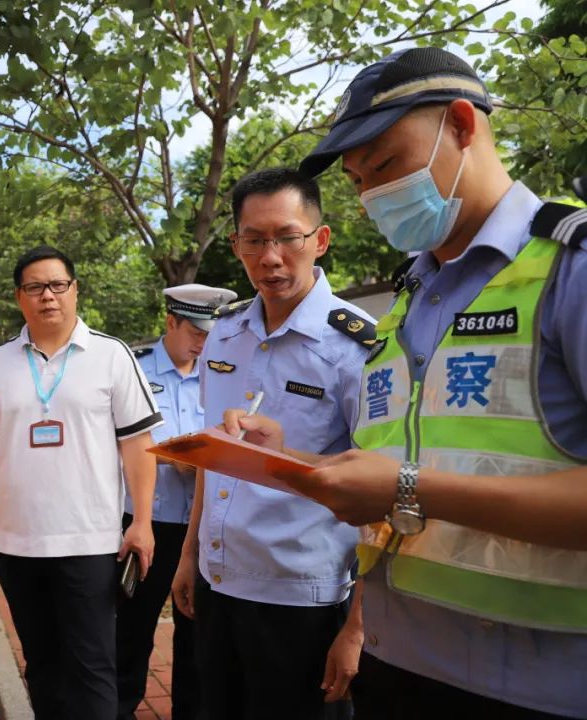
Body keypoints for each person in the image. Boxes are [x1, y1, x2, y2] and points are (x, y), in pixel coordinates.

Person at [234, 46, 587, 718]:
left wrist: (404, 487)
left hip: (539, 688)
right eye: (359, 178)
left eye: (388, 164)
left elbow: (408, 482)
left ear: (462, 124)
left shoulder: (569, 270)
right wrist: (291, 458)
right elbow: (409, 465)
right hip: (398, 667)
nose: (373, 195)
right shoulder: (408, 303)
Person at [170, 167, 375, 719]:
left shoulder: (355, 348)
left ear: (320, 240)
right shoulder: (226, 335)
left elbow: (380, 493)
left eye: (287, 237)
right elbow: (215, 462)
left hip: (302, 598)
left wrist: (358, 626)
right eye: (254, 240)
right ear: (235, 245)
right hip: (218, 583)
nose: (271, 257)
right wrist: (189, 556)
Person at [0, 245, 162, 719]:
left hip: (89, 542)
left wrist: (143, 521)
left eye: (57, 285)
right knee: (42, 664)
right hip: (17, 543)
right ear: (19, 297)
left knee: (91, 666)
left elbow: (138, 445)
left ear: (74, 290)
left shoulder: (111, 356)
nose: (48, 296)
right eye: (35, 287)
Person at [117, 284, 237, 720]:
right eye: (197, 333)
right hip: (151, 521)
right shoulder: (135, 370)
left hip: (205, 527)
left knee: (197, 632)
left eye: (211, 334)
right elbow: (116, 441)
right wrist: (174, 458)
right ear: (171, 322)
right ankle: (120, 707)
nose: (204, 344)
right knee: (133, 628)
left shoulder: (223, 372)